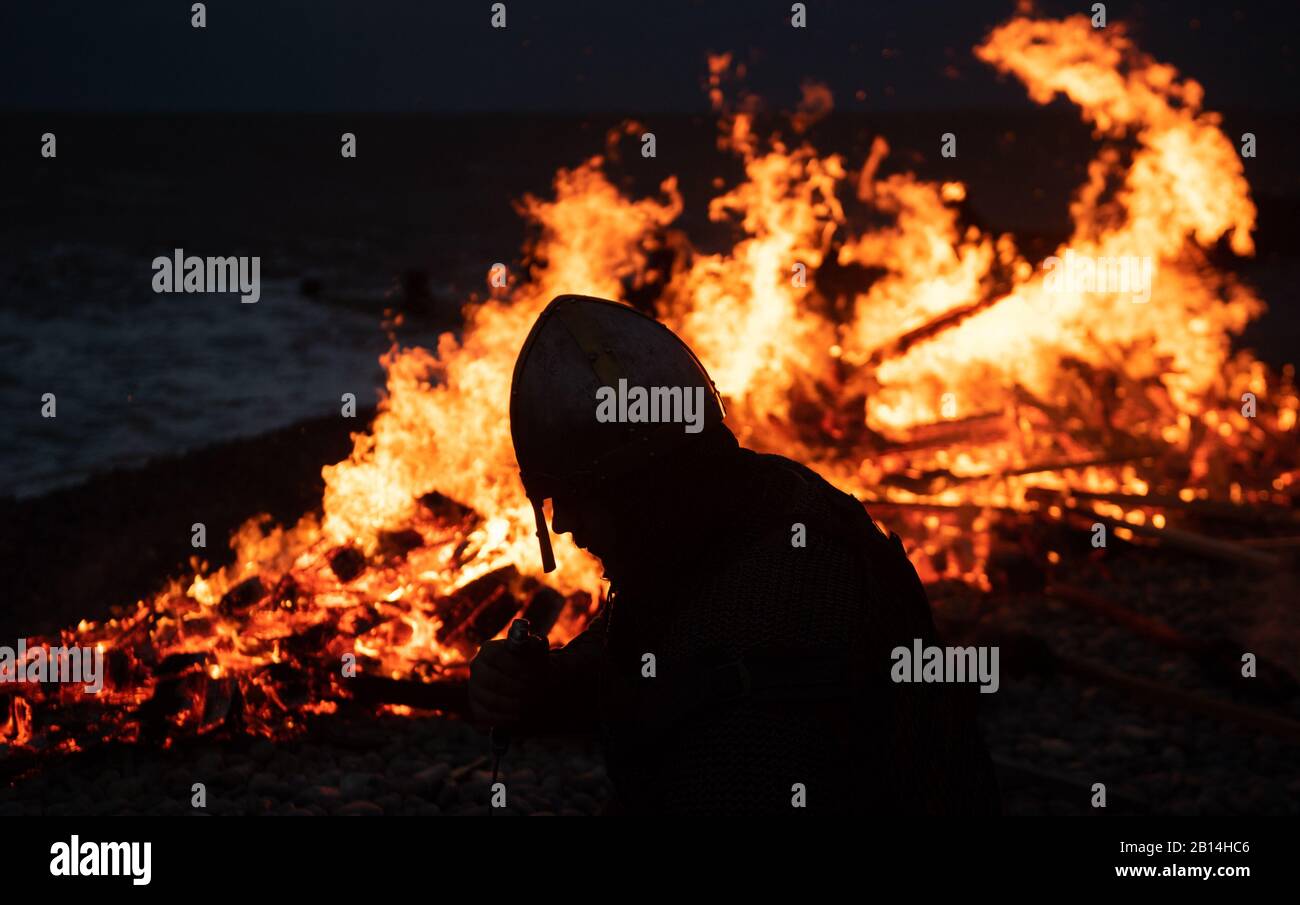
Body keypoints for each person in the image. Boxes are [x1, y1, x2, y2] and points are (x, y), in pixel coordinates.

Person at [470, 294, 1000, 814]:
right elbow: (646, 649)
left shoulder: (787, 588)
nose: (563, 525)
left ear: (641, 491)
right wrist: (546, 683)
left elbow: (730, 765)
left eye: (576, 499)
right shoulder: (714, 527)